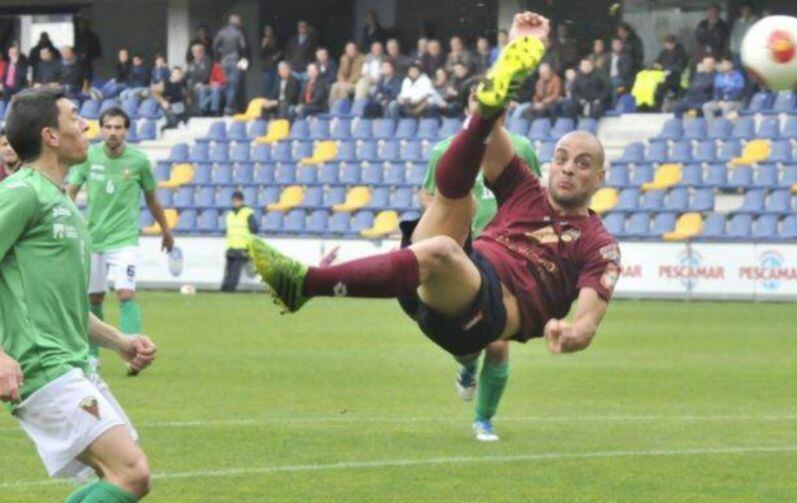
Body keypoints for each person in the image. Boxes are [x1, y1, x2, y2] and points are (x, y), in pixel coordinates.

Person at [249, 13, 620, 421]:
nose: (568, 169)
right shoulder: (526, 189)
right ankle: (502, 79)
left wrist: (572, 334)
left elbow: (587, 320)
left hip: (484, 315)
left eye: (582, 164)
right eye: (562, 159)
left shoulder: (598, 244)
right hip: (442, 280)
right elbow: (492, 136)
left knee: (443, 249)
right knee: (461, 197)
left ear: (599, 178)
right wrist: (510, 57)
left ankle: (305, 285)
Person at [0, 85, 157, 503]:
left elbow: (66, 303)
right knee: (130, 473)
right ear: (50, 135)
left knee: (122, 475)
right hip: (41, 367)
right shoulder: (20, 192)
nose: (86, 125)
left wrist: (119, 341)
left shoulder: (61, 200)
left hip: (74, 364)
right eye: (75, 117)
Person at [414, 92, 543, 440]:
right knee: (466, 340)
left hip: (504, 256)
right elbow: (428, 194)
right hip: (463, 254)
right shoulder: (445, 150)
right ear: (469, 106)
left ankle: (483, 420)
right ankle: (468, 364)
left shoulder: (522, 148)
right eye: (478, 99)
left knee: (498, 341)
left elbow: (533, 196)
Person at [67, 106, 171, 374]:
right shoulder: (88, 157)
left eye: (118, 127)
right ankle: (92, 357)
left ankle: (136, 354)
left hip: (124, 239)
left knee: (125, 293)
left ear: (126, 130)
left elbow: (151, 199)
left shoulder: (139, 161)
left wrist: (166, 230)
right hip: (93, 238)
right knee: (93, 299)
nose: (113, 132)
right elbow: (71, 192)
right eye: (109, 127)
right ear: (101, 129)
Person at [221, 191, 258, 293]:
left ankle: (230, 289)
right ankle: (224, 288)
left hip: (242, 247)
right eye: (234, 201)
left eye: (237, 200)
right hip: (231, 246)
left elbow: (254, 229)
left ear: (241, 201)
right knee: (228, 270)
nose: (235, 203)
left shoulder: (248, 213)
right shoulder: (230, 214)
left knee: (235, 271)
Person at [212, 13, 248, 115]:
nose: (241, 23)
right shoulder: (238, 33)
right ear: (236, 22)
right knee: (233, 85)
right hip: (235, 60)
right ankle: (228, 108)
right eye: (240, 21)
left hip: (223, 60)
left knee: (224, 84)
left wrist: (218, 58)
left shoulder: (221, 32)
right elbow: (243, 47)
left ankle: (219, 107)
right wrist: (243, 61)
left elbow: (214, 46)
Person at [653, 34, 689, 105]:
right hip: (662, 76)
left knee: (661, 87)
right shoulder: (664, 52)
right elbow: (657, 61)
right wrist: (656, 65)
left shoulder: (680, 52)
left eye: (670, 43)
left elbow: (679, 67)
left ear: (674, 43)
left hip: (675, 77)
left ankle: (659, 104)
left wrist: (663, 67)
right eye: (667, 43)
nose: (669, 45)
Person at [259, 25, 282, 97]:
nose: (268, 32)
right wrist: (263, 45)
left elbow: (280, 51)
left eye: (269, 30)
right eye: (266, 31)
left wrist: (276, 56)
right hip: (266, 66)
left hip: (274, 65)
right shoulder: (263, 40)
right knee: (266, 86)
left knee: (274, 86)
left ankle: (271, 102)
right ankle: (265, 101)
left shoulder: (276, 40)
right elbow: (260, 54)